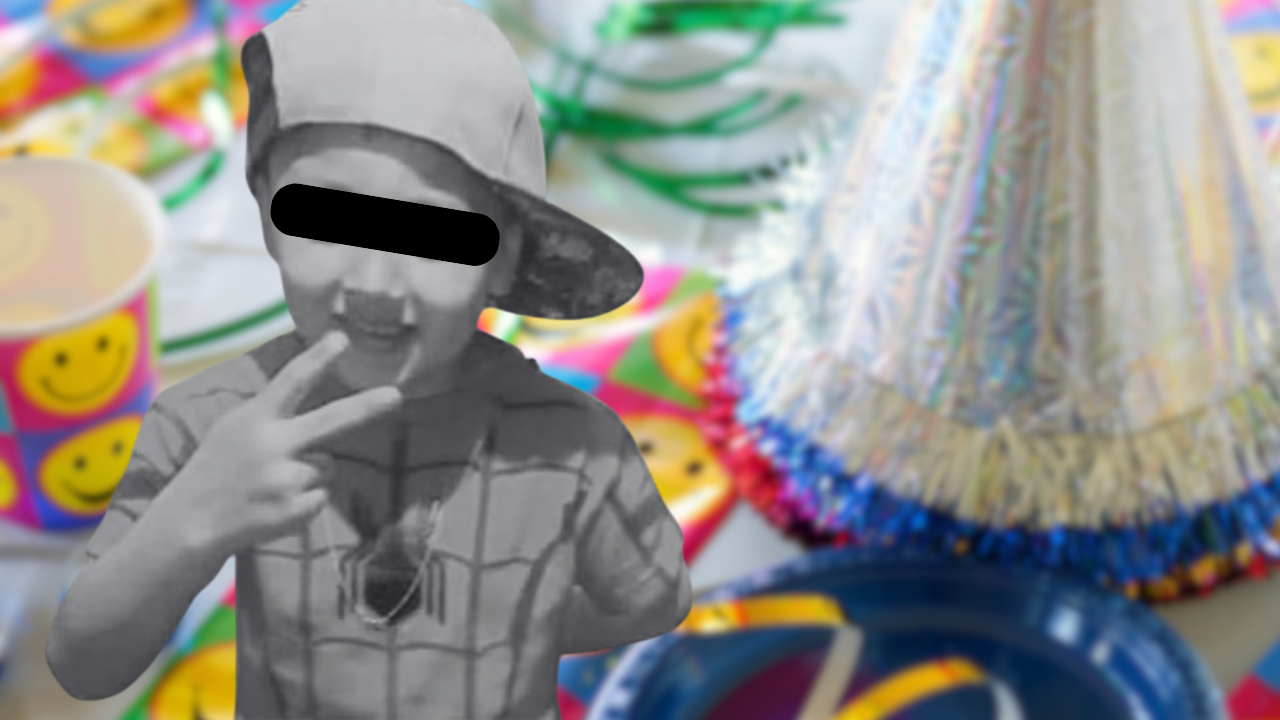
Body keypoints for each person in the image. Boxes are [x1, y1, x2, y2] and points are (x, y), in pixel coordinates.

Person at [45, 1, 692, 718]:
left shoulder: (573, 445)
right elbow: (83, 667)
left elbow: (653, 599)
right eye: (327, 217)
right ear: (265, 210)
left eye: (435, 233)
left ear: (507, 254)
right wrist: (194, 519)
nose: (375, 284)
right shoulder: (216, 424)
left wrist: (517, 634)